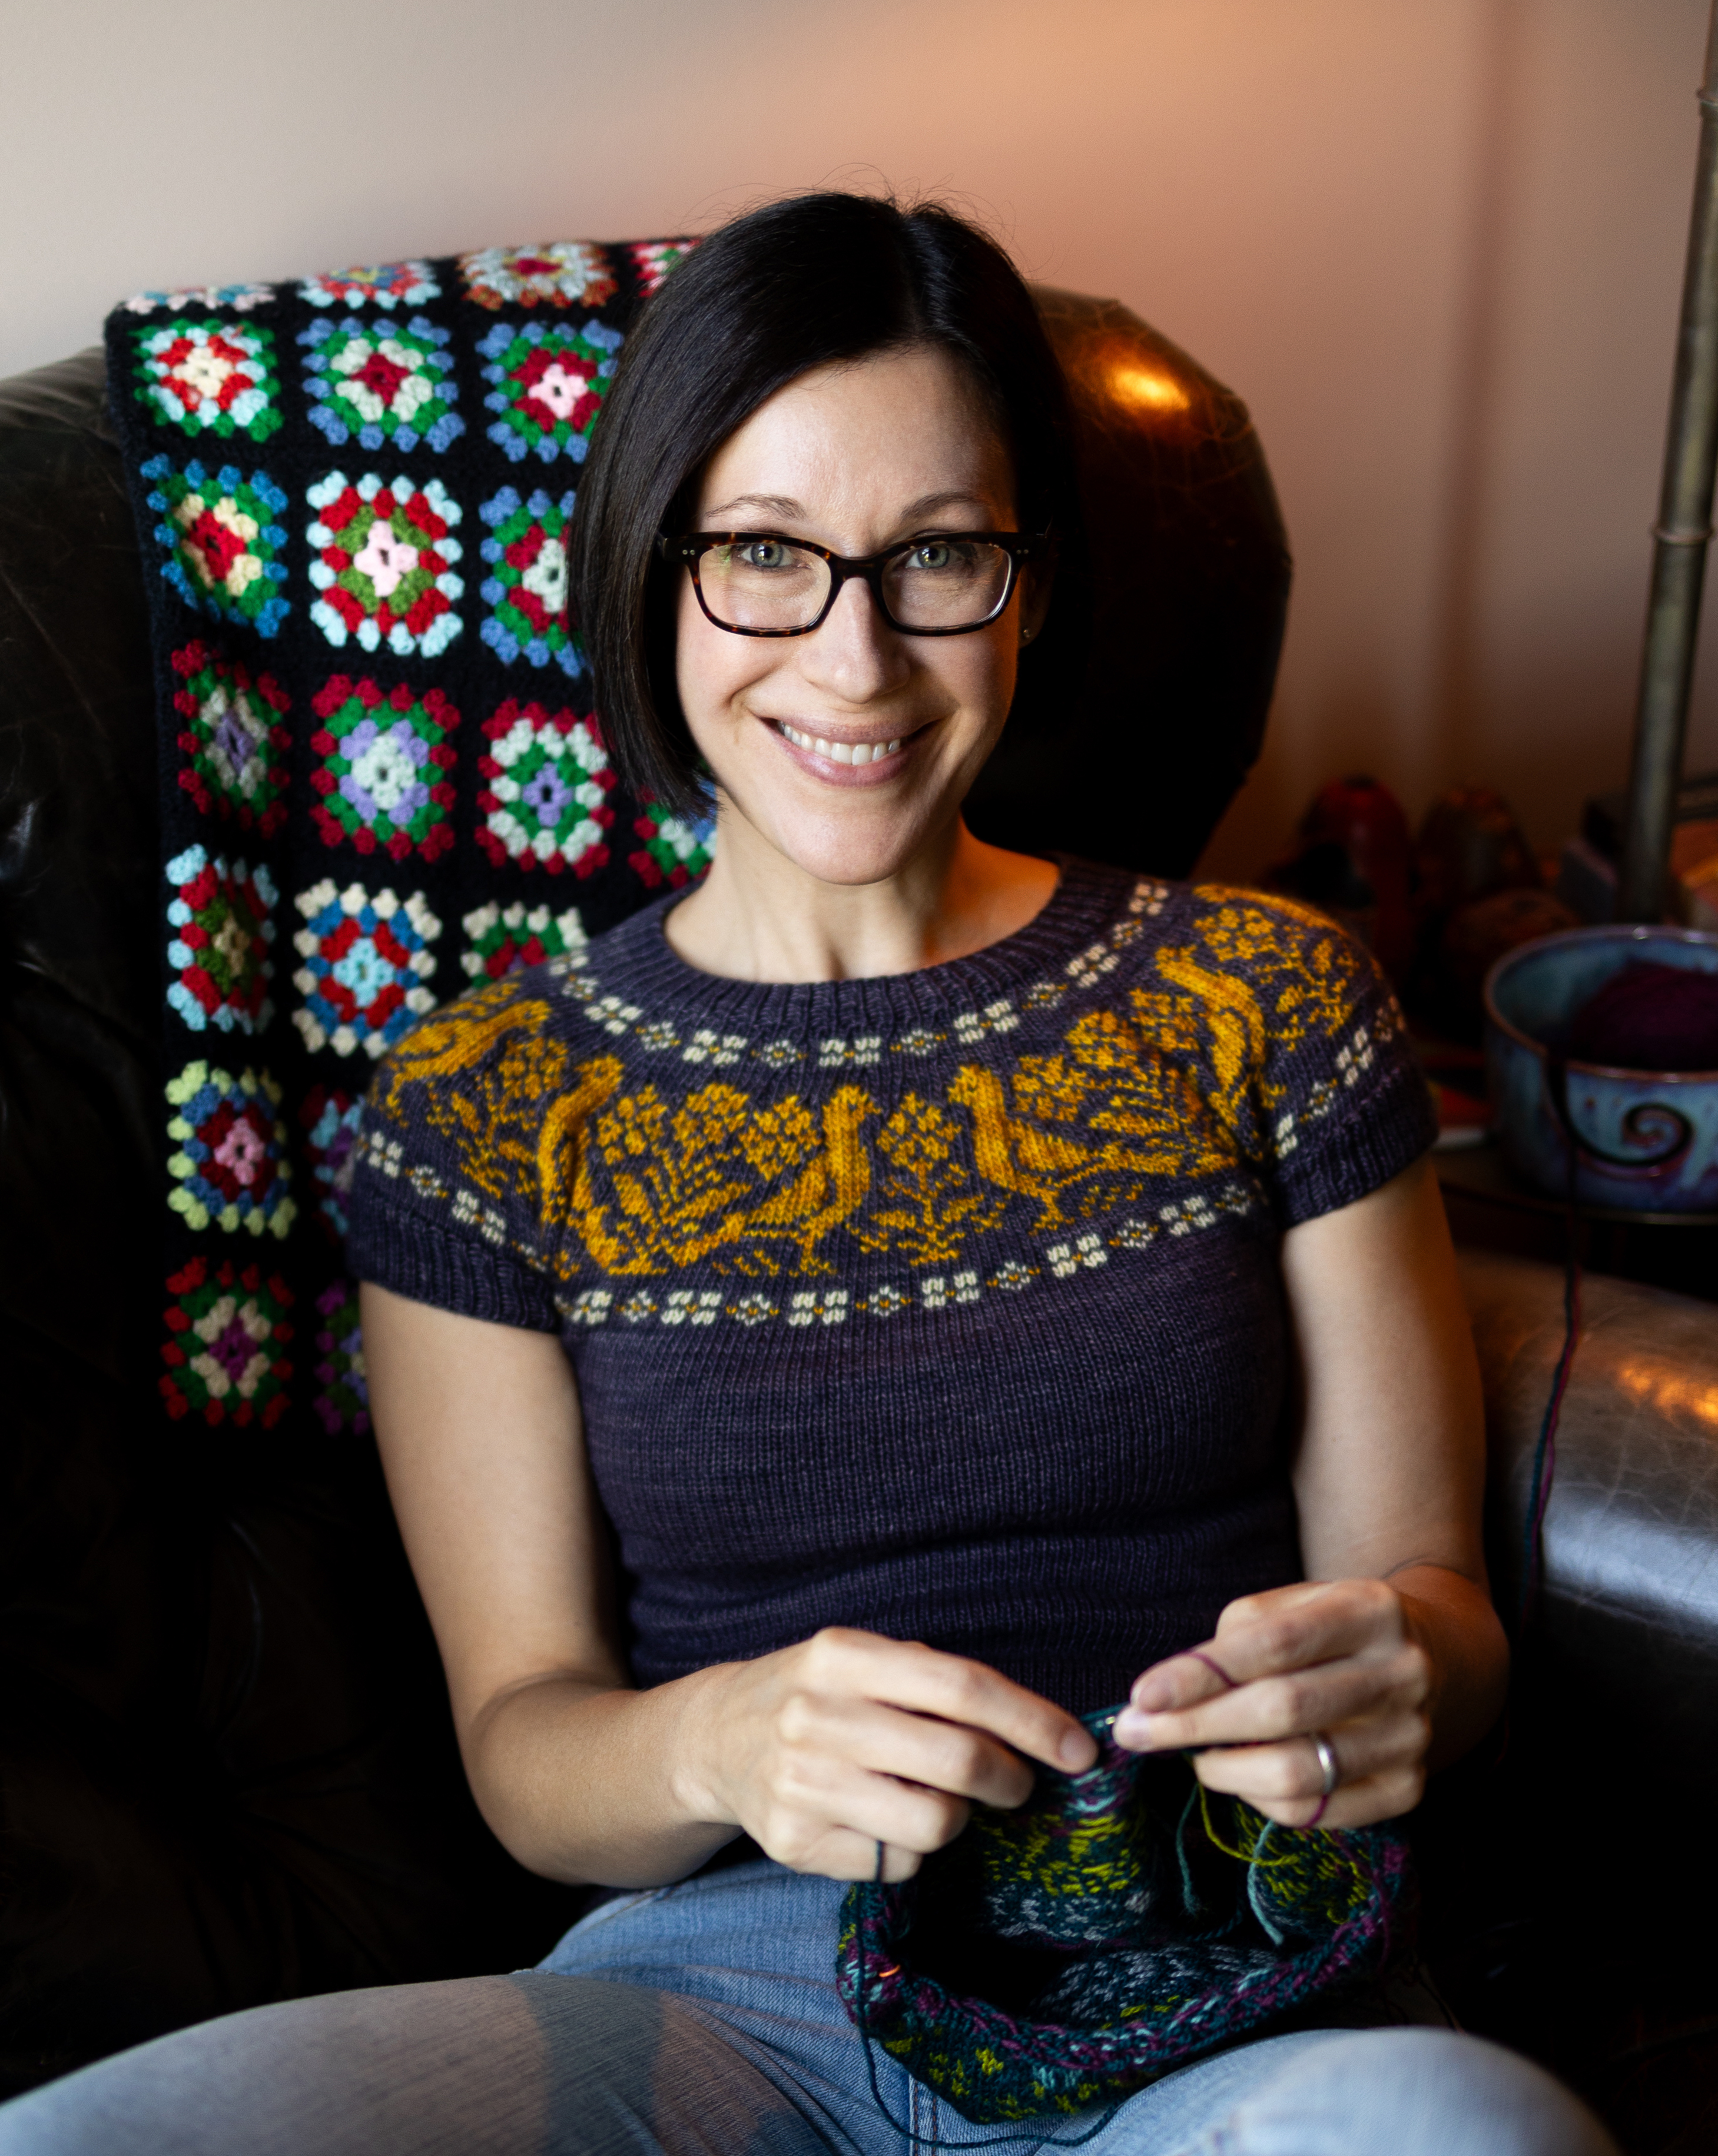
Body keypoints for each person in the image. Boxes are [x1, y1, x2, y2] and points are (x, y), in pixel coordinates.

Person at [0, 191, 1615, 2156]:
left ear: (1028, 582)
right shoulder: (488, 1101)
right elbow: (530, 1752)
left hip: (1218, 1984)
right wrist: (721, 1736)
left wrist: (1406, 1672)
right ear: (654, 575)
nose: (855, 662)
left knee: (1470, 2133)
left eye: (936, 555)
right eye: (766, 555)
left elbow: (1432, 1600)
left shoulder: (1260, 995)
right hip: (725, 2004)